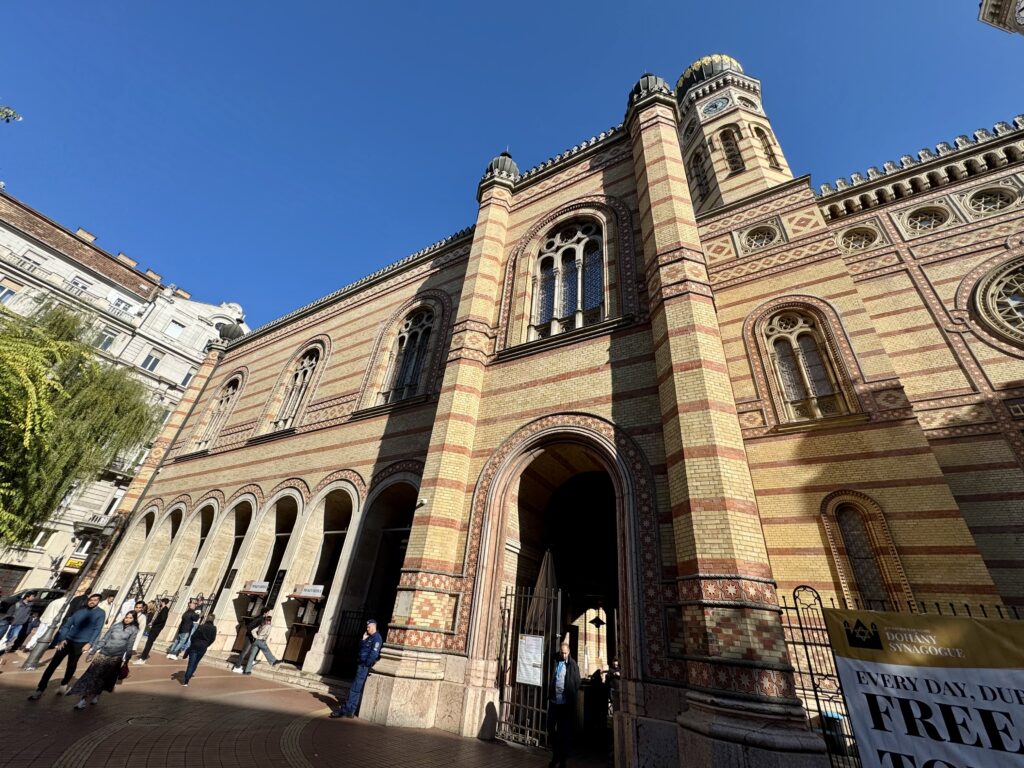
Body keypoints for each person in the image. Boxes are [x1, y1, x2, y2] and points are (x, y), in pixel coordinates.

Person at [28, 593, 105, 699]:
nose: (92, 601)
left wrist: (90, 643)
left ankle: (64, 684)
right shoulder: (80, 612)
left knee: (71, 664)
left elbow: (98, 629)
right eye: (91, 600)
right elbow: (67, 625)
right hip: (67, 641)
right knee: (53, 664)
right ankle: (40, 689)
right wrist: (62, 639)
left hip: (81, 643)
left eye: (95, 600)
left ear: (99, 602)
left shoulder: (100, 613)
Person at [69, 610, 138, 709]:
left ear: (134, 619)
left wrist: (127, 659)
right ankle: (83, 700)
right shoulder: (116, 625)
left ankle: (97, 695)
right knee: (92, 676)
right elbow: (104, 639)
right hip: (104, 654)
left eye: (130, 618)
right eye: (126, 617)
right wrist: (93, 651)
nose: (127, 619)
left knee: (104, 678)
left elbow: (129, 645)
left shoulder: (134, 629)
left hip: (116, 657)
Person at [330, 618, 383, 719]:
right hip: (361, 665)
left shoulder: (377, 638)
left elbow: (374, 654)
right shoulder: (369, 637)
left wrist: (365, 664)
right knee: (356, 688)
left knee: (355, 689)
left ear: (373, 626)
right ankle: (350, 710)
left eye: (368, 627)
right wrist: (363, 640)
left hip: (363, 666)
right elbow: (362, 648)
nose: (367, 629)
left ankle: (346, 709)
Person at [548, 638, 581, 768]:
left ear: (569, 652)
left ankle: (562, 759)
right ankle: (556, 753)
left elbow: (577, 681)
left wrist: (570, 693)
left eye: (565, 653)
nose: (563, 655)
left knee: (563, 732)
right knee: (550, 727)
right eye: (562, 653)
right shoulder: (556, 661)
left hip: (565, 704)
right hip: (554, 702)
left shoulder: (572, 664)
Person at [233, 609, 278, 675]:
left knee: (255, 650)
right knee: (245, 651)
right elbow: (249, 627)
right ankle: (237, 667)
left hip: (254, 638)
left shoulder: (261, 618)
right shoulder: (259, 618)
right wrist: (254, 636)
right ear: (265, 613)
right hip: (250, 637)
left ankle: (250, 665)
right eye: (268, 613)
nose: (268, 614)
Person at [180, 614, 217, 686]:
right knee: (195, 663)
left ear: (207, 619)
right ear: (213, 620)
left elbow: (193, 636)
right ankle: (189, 676)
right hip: (203, 647)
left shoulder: (201, 626)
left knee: (191, 663)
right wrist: (207, 644)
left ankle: (186, 680)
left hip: (195, 645)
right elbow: (213, 639)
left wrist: (194, 642)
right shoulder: (213, 628)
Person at [135, 598, 169, 664]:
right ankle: (142, 657)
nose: (159, 603)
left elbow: (162, 619)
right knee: (148, 643)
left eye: (160, 602)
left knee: (149, 643)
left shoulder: (165, 610)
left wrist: (154, 623)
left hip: (156, 629)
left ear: (163, 602)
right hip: (154, 628)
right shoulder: (162, 609)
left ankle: (143, 658)